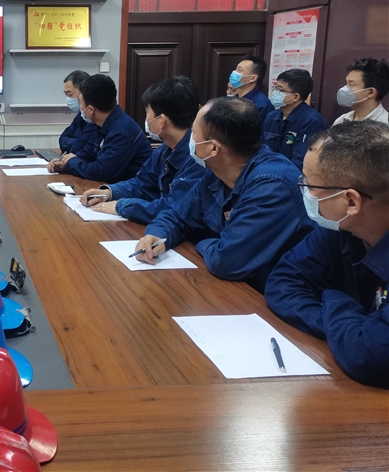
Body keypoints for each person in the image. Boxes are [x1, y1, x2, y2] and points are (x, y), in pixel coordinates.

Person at [134, 97, 314, 292]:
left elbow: (227, 261)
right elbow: (177, 215)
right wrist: (157, 234)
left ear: (213, 148)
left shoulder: (272, 186)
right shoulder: (217, 173)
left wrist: (200, 240)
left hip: (264, 293)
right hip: (229, 286)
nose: (190, 140)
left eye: (193, 133)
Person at [265, 121, 389, 388]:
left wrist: (333, 298)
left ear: (351, 201)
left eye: (309, 185)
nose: (304, 191)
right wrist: (349, 330)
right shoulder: (340, 227)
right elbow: (282, 282)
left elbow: (368, 356)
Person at [81, 76, 205, 223]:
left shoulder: (199, 157)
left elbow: (175, 208)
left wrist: (122, 206)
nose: (146, 119)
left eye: (147, 112)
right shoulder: (164, 150)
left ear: (161, 121)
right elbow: (141, 184)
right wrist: (109, 192)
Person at [47, 75, 151, 183]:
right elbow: (88, 152)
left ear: (91, 109)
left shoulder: (121, 130)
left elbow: (103, 171)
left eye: (80, 103)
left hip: (134, 189)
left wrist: (72, 163)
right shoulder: (103, 122)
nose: (80, 108)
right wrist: (65, 163)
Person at [262, 68, 327, 169]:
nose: (275, 92)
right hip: (266, 171)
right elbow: (261, 150)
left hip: (291, 175)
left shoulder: (312, 121)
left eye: (280, 90)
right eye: (275, 87)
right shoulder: (272, 116)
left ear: (295, 97)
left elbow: (301, 162)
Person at [332, 58, 389, 125]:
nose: (344, 88)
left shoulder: (385, 125)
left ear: (371, 92)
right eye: (346, 83)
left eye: (351, 85)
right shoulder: (341, 121)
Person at [59, 70, 94, 154]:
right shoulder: (81, 114)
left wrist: (75, 143)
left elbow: (79, 147)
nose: (68, 99)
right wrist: (76, 142)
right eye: (66, 95)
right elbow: (63, 138)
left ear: (84, 91)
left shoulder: (93, 117)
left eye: (70, 94)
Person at [229, 55, 271, 123]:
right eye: (236, 69)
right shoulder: (233, 99)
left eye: (240, 70)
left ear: (253, 78)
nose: (234, 72)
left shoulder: (262, 104)